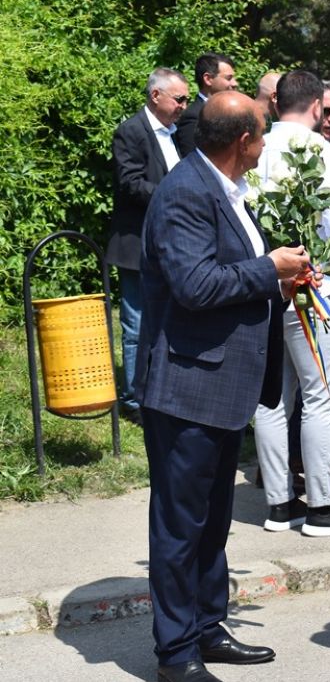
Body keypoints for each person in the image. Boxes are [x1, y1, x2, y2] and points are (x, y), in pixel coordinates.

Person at [136, 91, 310, 682]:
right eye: (262, 133)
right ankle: (176, 651)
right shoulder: (185, 193)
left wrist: (281, 284)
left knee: (211, 522)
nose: (265, 143)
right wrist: (271, 270)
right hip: (186, 386)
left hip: (221, 383)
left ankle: (208, 627)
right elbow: (194, 285)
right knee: (180, 526)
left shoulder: (225, 187)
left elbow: (228, 275)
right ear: (243, 141)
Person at [251, 71, 330, 537]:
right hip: (312, 284)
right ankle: (322, 504)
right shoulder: (319, 150)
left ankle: (280, 501)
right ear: (318, 106)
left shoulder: (259, 146)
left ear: (275, 102)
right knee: (321, 396)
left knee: (273, 398)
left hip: (267, 282)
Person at [105, 67, 189, 426]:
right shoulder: (131, 131)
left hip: (169, 244)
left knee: (169, 320)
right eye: (179, 99)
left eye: (186, 99)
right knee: (137, 323)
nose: (184, 106)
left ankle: (161, 390)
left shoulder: (174, 134)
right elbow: (130, 183)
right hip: (136, 242)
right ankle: (134, 398)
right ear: (156, 96)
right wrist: (175, 195)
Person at [175, 53, 238, 156]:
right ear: (208, 79)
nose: (235, 83)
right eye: (228, 78)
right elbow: (191, 159)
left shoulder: (230, 112)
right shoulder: (194, 117)